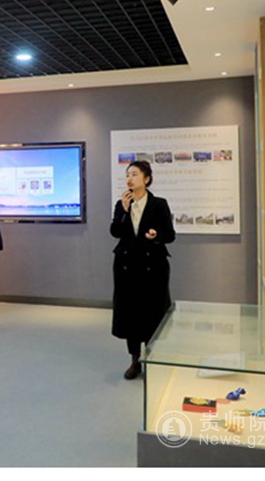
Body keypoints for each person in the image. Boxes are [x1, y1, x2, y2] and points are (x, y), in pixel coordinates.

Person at [110, 160, 175, 380]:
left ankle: (151, 358)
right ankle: (135, 360)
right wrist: (124, 211)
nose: (130, 178)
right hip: (127, 266)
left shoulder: (159, 204)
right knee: (130, 313)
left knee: (152, 312)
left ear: (146, 179)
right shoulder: (122, 204)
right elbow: (115, 231)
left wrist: (157, 235)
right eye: (128, 175)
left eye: (135, 174)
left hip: (152, 266)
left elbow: (170, 235)